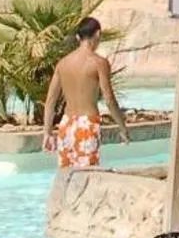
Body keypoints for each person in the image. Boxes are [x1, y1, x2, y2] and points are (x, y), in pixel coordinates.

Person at [42, 17, 126, 171]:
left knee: (67, 177)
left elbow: (50, 101)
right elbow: (109, 99)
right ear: (98, 34)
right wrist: (122, 127)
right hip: (87, 125)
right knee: (88, 176)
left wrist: (47, 132)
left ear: (78, 37)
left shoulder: (62, 63)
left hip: (66, 125)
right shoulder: (99, 63)